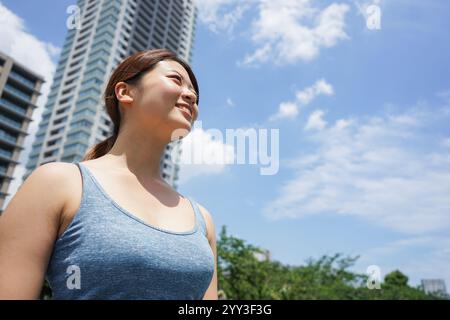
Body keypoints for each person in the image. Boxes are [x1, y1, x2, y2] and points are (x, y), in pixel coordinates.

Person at [0, 49, 218, 300]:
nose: (191, 95)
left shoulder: (203, 219)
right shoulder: (57, 183)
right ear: (125, 92)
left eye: (195, 92)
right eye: (176, 80)